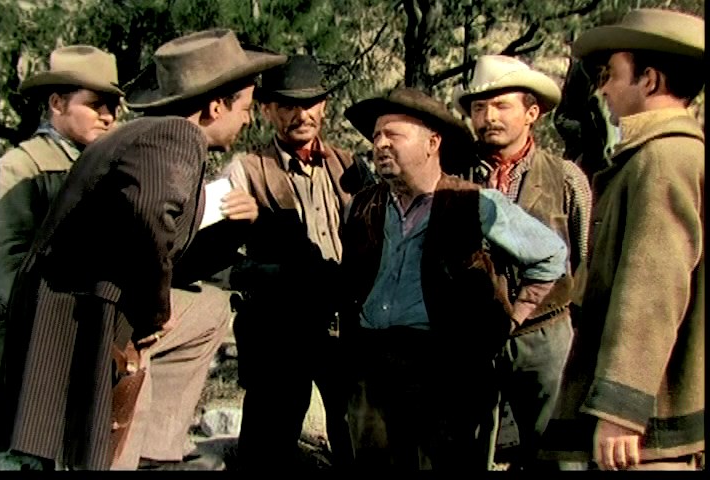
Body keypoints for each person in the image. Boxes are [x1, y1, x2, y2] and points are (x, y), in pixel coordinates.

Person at [0, 29, 286, 471]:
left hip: (89, 304)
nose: (248, 121)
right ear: (215, 107)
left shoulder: (143, 135)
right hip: (83, 315)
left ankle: (155, 450)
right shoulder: (176, 136)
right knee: (149, 346)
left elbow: (162, 242)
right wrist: (154, 311)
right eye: (245, 108)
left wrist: (230, 228)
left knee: (208, 309)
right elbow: (151, 223)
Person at [339, 87, 569, 470]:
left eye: (393, 134)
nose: (380, 144)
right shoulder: (362, 205)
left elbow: (551, 254)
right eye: (376, 136)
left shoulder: (474, 202)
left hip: (445, 373)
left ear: (432, 143)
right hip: (373, 371)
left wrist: (515, 316)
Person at [539, 8, 704, 471]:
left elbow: (653, 290)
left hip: (648, 429)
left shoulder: (664, 159)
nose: (603, 89)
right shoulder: (654, 156)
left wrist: (621, 408)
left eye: (611, 74)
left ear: (649, 80)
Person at [223, 54, 372, 470]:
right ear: (267, 110)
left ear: (324, 106)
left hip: (345, 328)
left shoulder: (351, 166)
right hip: (278, 331)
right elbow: (221, 259)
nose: (301, 115)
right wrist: (275, 276)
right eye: (287, 105)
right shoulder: (245, 170)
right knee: (268, 445)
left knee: (356, 437)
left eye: (309, 103)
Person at [452, 54, 592, 470]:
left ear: (532, 113)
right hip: (470, 334)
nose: (488, 117)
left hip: (546, 333)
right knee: (465, 447)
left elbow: (584, 260)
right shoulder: (451, 175)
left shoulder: (567, 178)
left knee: (556, 450)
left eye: (501, 105)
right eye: (479, 108)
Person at [0, 45, 123, 394]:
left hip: (88, 329)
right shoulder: (22, 167)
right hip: (27, 343)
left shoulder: (106, 167)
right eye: (95, 105)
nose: (108, 117)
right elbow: (6, 270)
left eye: (112, 107)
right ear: (57, 103)